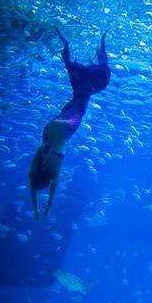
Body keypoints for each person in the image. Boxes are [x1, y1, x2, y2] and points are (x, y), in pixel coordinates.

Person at [29, 29, 111, 219]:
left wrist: (46, 210)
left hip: (65, 129)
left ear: (46, 181)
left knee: (82, 101)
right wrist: (36, 209)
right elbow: (34, 190)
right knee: (76, 100)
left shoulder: (53, 173)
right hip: (51, 127)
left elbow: (51, 194)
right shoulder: (36, 167)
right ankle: (66, 46)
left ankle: (91, 64)